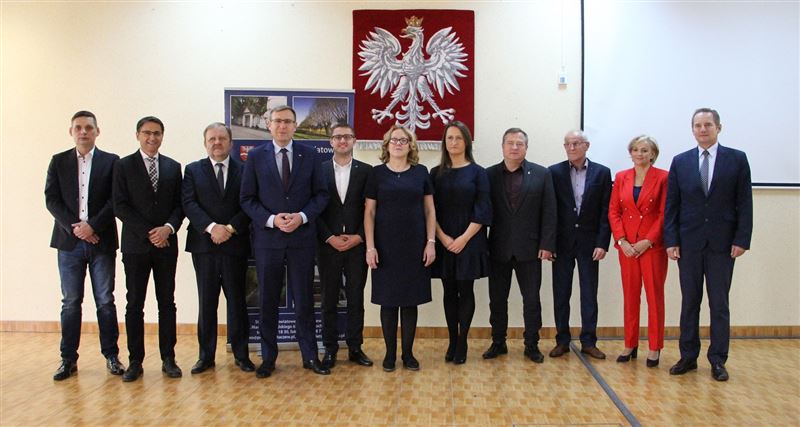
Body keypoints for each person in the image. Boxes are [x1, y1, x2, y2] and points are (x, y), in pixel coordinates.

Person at [240, 105, 330, 377]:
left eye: (288, 121)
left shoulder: (310, 155)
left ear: (295, 125)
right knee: (268, 301)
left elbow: (321, 195)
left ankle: (310, 356)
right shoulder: (255, 156)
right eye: (277, 121)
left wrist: (301, 217)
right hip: (268, 240)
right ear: (269, 124)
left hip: (302, 239)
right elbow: (247, 199)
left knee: (304, 301)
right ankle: (268, 358)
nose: (282, 126)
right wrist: (271, 220)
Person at [664, 108, 753, 381]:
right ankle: (688, 356)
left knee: (719, 304)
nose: (702, 129)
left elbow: (744, 202)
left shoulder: (737, 159)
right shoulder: (680, 161)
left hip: (722, 245)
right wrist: (671, 240)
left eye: (708, 125)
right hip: (689, 243)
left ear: (718, 127)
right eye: (698, 125)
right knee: (690, 302)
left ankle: (718, 360)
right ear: (692, 129)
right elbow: (672, 205)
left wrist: (742, 239)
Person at [45, 111, 124, 380]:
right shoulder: (58, 161)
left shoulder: (111, 162)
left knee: (105, 301)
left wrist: (93, 227)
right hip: (69, 244)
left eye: (88, 127)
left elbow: (115, 200)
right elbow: (51, 199)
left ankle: (111, 356)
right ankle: (68, 359)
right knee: (70, 302)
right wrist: (77, 228)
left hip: (101, 241)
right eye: (78, 127)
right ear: (71, 132)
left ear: (97, 131)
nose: (83, 132)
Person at [113, 116, 184, 382]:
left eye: (156, 133)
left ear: (162, 136)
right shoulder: (123, 166)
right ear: (137, 135)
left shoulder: (173, 167)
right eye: (146, 133)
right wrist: (149, 233)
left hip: (166, 245)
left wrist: (168, 228)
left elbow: (180, 205)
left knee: (167, 303)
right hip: (136, 247)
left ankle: (169, 358)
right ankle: (135, 361)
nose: (152, 138)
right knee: (135, 304)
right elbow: (120, 205)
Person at [182, 123, 255, 374]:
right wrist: (213, 228)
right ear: (205, 143)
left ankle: (241, 355)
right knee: (207, 302)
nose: (217, 142)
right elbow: (189, 203)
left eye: (222, 138)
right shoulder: (193, 170)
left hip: (235, 245)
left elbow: (249, 204)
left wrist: (230, 229)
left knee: (237, 302)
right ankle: (205, 357)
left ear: (230, 143)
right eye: (212, 139)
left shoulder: (245, 170)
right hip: (204, 246)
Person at [364, 125, 436, 372]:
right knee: (387, 301)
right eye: (394, 140)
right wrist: (370, 247)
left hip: (415, 245)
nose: (398, 143)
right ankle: (389, 355)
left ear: (410, 145)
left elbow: (430, 210)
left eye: (403, 140)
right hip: (385, 246)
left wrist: (431, 242)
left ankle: (408, 354)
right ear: (386, 145)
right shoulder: (376, 174)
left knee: (410, 301)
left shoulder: (421, 172)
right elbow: (369, 212)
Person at [483, 128, 556, 363]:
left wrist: (547, 244)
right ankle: (498, 342)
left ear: (526, 147)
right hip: (498, 248)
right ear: (502, 146)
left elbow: (549, 212)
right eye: (510, 143)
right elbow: (482, 212)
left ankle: (531, 344)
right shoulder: (488, 175)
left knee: (532, 300)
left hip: (531, 249)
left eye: (519, 143)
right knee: (497, 300)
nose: (514, 147)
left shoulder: (542, 174)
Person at [430, 121, 491, 364]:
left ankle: (463, 341)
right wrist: (443, 238)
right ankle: (452, 340)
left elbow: (483, 209)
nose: (453, 142)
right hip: (443, 239)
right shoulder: (435, 173)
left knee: (465, 290)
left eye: (458, 138)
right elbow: (429, 210)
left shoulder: (479, 173)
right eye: (449, 138)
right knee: (448, 291)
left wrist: (463, 239)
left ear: (466, 142)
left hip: (470, 239)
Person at [548, 130, 612, 360]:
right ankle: (562, 340)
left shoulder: (602, 173)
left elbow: (606, 211)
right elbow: (550, 211)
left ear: (587, 145)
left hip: (590, 244)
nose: (572, 148)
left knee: (589, 294)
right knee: (561, 294)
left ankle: (589, 342)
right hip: (561, 243)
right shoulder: (554, 172)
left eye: (576, 143)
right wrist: (549, 243)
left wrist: (602, 243)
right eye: (568, 144)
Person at [608, 135, 669, 367]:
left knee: (654, 297)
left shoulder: (663, 177)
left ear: (653, 154)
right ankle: (630, 343)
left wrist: (648, 241)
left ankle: (654, 347)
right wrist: (622, 240)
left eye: (644, 150)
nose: (639, 154)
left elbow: (664, 213)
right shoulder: (621, 177)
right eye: (635, 149)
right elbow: (614, 211)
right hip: (627, 247)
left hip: (651, 247)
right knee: (630, 296)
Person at [317, 123, 374, 369]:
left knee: (355, 299)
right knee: (328, 299)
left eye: (347, 137)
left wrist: (359, 237)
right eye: (338, 137)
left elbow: (371, 210)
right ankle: (329, 349)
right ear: (331, 141)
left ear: (354, 141)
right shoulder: (318, 171)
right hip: (327, 245)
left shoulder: (367, 171)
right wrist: (329, 237)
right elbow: (313, 209)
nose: (342, 141)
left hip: (356, 246)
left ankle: (355, 348)